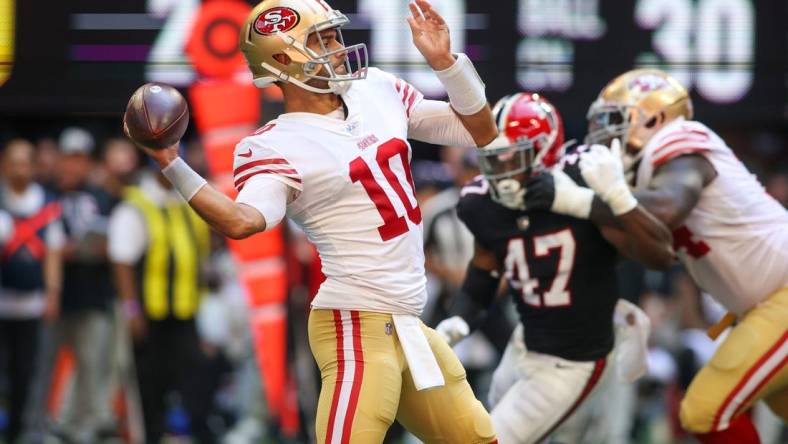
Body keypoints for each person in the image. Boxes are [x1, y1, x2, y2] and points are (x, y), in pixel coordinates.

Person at [126, 0, 501, 441]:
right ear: (282, 60)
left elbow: (480, 130)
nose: (338, 47)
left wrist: (446, 65)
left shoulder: (375, 88)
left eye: (335, 35)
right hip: (355, 325)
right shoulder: (275, 145)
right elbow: (242, 221)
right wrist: (173, 164)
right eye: (321, 39)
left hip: (407, 323)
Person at [434, 92, 672, 444]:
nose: (499, 168)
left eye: (510, 155)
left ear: (542, 151)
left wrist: (587, 203)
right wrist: (460, 319)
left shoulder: (583, 179)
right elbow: (485, 269)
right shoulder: (482, 203)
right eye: (493, 156)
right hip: (524, 345)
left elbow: (656, 252)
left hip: (573, 360)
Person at [570, 68, 788, 444]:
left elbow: (668, 207)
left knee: (704, 411)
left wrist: (589, 198)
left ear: (654, 117)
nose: (605, 135)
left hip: (780, 299)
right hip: (764, 306)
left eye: (615, 121)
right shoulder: (644, 179)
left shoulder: (682, 139)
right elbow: (655, 255)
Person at [108, 164, 214, 443]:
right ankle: (151, 435)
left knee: (195, 373)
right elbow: (122, 262)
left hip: (185, 310)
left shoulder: (188, 201)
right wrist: (132, 310)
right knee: (150, 384)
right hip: (149, 313)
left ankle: (190, 432)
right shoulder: (136, 205)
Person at [28, 127, 117, 443]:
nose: (72, 166)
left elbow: (115, 240)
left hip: (92, 294)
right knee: (42, 368)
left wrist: (106, 248)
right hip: (50, 297)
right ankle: (37, 427)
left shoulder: (103, 196)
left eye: (79, 160)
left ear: (88, 163)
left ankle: (80, 428)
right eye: (68, 159)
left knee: (91, 367)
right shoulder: (43, 195)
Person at [0, 139, 64, 443]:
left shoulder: (47, 204)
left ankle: (20, 430)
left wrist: (52, 294)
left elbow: (53, 253)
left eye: (25, 162)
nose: (19, 169)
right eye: (14, 162)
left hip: (31, 304)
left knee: (27, 370)